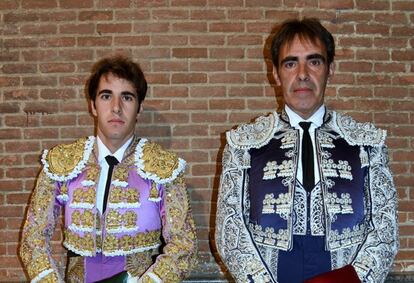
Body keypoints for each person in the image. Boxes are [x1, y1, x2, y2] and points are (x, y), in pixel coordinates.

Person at [215, 18, 398, 283]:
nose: (302, 73)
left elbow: (385, 230)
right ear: (276, 74)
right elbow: (230, 230)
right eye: (291, 63)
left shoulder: (367, 143)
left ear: (329, 69)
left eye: (314, 61)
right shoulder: (243, 144)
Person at [20, 56, 197, 283]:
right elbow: (32, 238)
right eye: (106, 96)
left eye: (127, 97)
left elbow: (185, 245)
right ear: (93, 105)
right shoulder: (62, 163)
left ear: (139, 108)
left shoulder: (163, 168)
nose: (116, 108)